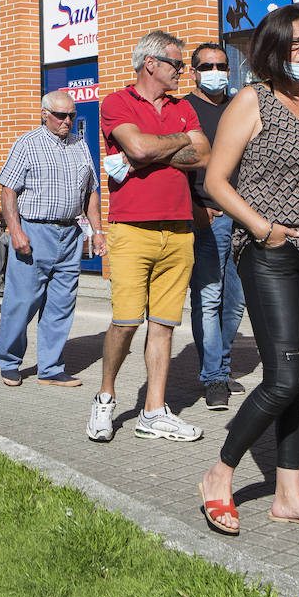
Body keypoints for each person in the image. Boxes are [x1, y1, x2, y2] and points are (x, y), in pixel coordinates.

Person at [197, 4, 299, 536]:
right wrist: (263, 227)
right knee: (284, 377)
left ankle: (288, 494)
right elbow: (217, 183)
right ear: (271, 47)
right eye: (296, 42)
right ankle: (219, 473)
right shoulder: (251, 100)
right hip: (268, 250)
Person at [88, 30, 209, 442]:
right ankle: (105, 398)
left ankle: (154, 411)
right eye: (177, 64)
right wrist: (173, 144)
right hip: (131, 230)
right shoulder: (117, 102)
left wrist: (151, 148)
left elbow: (203, 153)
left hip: (179, 230)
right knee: (125, 321)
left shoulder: (184, 106)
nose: (183, 72)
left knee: (163, 325)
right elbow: (137, 149)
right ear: (151, 64)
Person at [0, 91, 105, 387]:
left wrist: (97, 231)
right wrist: (15, 231)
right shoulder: (28, 144)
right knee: (22, 302)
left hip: (70, 233)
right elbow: (7, 190)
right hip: (35, 231)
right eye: (60, 115)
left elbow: (91, 192)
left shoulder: (80, 144)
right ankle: (9, 361)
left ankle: (51, 367)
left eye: (71, 115)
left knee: (61, 302)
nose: (67, 121)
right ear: (45, 114)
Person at [183, 42, 248, 412]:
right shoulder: (184, 109)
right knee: (208, 298)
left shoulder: (237, 107)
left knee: (235, 302)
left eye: (222, 65)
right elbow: (177, 167)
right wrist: (195, 208)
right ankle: (213, 378)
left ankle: (219, 367)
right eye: (207, 65)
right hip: (208, 218)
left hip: (241, 219)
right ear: (193, 72)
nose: (216, 71)